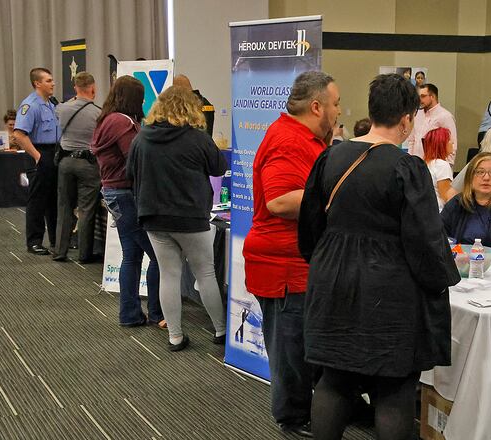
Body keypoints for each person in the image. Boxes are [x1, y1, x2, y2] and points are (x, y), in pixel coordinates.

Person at [298, 73, 460, 440]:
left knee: (334, 380)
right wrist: (445, 280)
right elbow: (425, 241)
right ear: (406, 119)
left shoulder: (330, 157)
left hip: (333, 282)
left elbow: (309, 229)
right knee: (394, 390)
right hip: (389, 292)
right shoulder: (407, 167)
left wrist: (328, 264)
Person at [243, 71, 341, 437]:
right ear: (317, 106)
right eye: (335, 104)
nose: (339, 110)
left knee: (301, 347)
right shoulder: (288, 140)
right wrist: (338, 196)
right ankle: (293, 418)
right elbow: (280, 200)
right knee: (290, 352)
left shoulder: (306, 138)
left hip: (298, 263)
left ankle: (307, 408)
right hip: (282, 266)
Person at [127, 86, 227, 352]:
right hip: (191, 217)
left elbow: (130, 173)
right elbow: (219, 167)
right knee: (205, 273)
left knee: (169, 275)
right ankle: (220, 330)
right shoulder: (197, 138)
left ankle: (175, 336)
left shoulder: (141, 138)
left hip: (153, 217)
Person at [91, 76, 164, 329]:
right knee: (159, 256)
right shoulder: (121, 122)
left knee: (131, 256)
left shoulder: (107, 120)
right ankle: (157, 312)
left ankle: (130, 314)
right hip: (126, 195)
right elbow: (135, 158)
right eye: (141, 97)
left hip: (114, 193)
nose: (144, 101)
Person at [52, 72, 102, 263]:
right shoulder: (98, 113)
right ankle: (84, 254)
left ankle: (60, 251)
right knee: (86, 210)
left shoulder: (62, 109)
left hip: (65, 163)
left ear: (75, 88)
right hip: (88, 164)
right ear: (93, 88)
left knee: (64, 207)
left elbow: (61, 108)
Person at [13, 67, 61, 255]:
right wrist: (38, 156)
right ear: (37, 83)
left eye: (52, 80)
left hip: (54, 151)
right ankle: (34, 241)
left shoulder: (51, 103)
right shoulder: (30, 105)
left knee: (53, 199)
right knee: (38, 199)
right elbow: (19, 134)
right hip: (39, 152)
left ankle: (57, 239)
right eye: (48, 80)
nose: (53, 83)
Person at [405, 83, 458, 164]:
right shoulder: (417, 114)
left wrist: (446, 166)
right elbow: (412, 140)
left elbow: (452, 145)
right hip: (417, 164)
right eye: (418, 96)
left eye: (423, 96)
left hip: (435, 166)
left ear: (432, 97)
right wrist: (410, 161)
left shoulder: (445, 116)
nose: (419, 100)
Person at [423, 127, 457, 211]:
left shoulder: (425, 164)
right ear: (441, 143)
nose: (452, 142)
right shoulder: (441, 165)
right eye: (449, 139)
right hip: (439, 212)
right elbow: (446, 196)